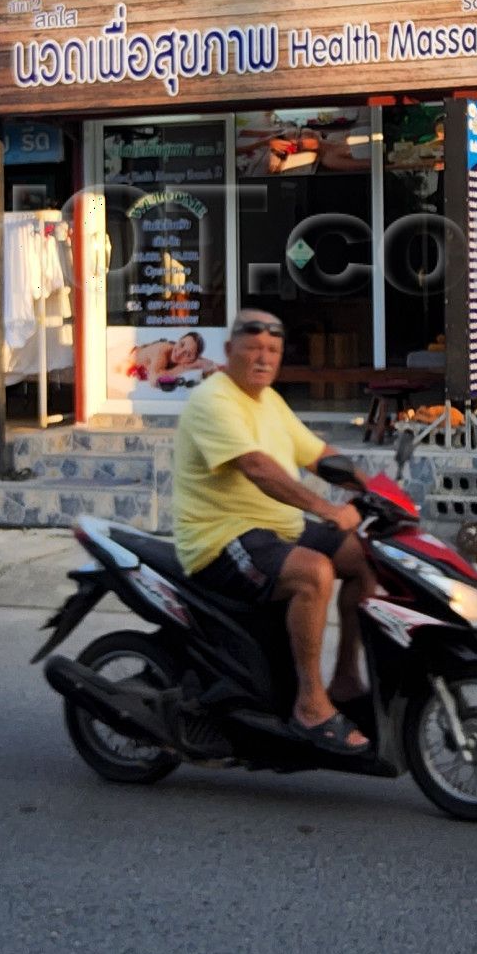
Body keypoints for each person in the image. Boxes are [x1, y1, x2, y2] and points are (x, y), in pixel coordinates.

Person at [171, 309, 379, 748]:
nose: (264, 359)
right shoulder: (215, 399)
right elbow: (256, 466)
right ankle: (310, 706)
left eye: (273, 351)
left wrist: (374, 490)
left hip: (274, 530)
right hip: (222, 538)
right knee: (315, 573)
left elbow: (318, 454)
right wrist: (324, 505)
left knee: (365, 559)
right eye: (253, 349)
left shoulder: (269, 401)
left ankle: (344, 679)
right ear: (229, 352)